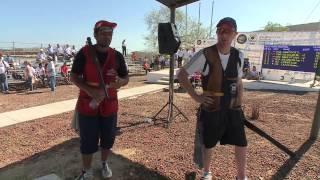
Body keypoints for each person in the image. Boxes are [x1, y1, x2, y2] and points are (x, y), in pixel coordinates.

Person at [177, 17, 247, 180]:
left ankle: (241, 176)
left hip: (233, 108)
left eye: (227, 31)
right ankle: (207, 172)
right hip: (212, 107)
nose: (223, 35)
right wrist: (196, 97)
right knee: (209, 142)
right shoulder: (205, 54)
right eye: (220, 31)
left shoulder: (239, 56)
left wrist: (239, 102)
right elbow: (181, 74)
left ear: (234, 34)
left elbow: (238, 81)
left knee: (241, 142)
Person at [71, 20, 129, 180]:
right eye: (103, 33)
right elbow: (74, 76)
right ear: (95, 35)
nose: (107, 36)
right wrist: (91, 91)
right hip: (87, 104)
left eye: (110, 33)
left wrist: (120, 83)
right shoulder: (84, 52)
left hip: (110, 104)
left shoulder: (117, 56)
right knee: (88, 140)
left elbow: (126, 78)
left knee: (108, 138)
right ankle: (87, 170)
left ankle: (104, 163)